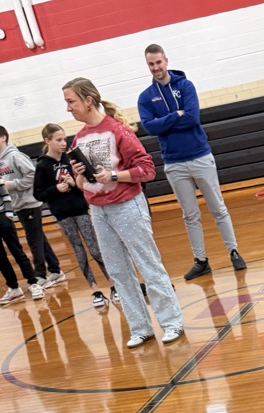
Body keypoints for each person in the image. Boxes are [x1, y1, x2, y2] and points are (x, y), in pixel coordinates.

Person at [63, 77, 184, 347]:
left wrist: (114, 175)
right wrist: (81, 178)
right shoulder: (79, 139)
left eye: (71, 101)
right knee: (118, 271)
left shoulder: (117, 130)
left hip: (127, 205)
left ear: (88, 100)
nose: (68, 108)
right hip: (98, 210)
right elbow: (82, 184)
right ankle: (141, 327)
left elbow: (147, 170)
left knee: (148, 264)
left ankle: (171, 322)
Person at [137, 44, 246, 281]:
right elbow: (149, 127)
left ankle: (234, 251)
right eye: (151, 64)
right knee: (190, 214)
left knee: (218, 208)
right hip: (174, 163)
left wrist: (166, 122)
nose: (156, 68)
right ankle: (201, 260)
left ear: (166, 60)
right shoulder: (146, 97)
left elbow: (192, 118)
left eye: (159, 62)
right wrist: (175, 116)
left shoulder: (185, 85)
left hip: (200, 156)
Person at [33, 123, 118, 311]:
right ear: (48, 141)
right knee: (79, 251)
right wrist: (56, 189)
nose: (63, 143)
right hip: (63, 214)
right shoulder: (42, 165)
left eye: (65, 139)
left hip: (80, 209)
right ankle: (95, 290)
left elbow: (88, 180)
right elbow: (38, 194)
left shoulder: (71, 158)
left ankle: (113, 285)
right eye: (58, 140)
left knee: (95, 248)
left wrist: (76, 182)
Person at [0, 126, 65, 288]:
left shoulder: (14, 156)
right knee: (39, 239)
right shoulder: (1, 160)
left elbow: (32, 175)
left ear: (3, 137)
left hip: (30, 203)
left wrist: (12, 185)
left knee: (33, 241)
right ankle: (56, 270)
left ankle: (40, 276)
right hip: (19, 205)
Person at [0, 179, 41, 305]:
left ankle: (33, 282)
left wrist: (8, 213)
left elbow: (5, 195)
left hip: (2, 217)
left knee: (17, 251)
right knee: (1, 259)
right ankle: (13, 287)